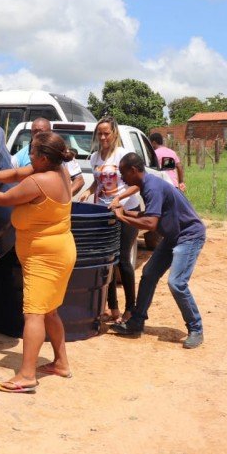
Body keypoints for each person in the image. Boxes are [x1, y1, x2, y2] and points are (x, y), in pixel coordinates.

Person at [0, 131, 77, 394]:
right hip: (59, 250)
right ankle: (61, 363)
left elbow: (4, 199)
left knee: (33, 313)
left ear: (45, 158)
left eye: (34, 153)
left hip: (45, 257)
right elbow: (16, 174)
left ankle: (26, 375)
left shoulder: (39, 183)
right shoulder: (59, 172)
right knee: (49, 311)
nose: (30, 156)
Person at [109, 152, 206, 349]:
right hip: (172, 236)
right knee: (149, 273)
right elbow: (149, 214)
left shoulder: (152, 187)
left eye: (123, 173)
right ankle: (136, 322)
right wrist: (125, 211)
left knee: (177, 282)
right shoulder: (147, 184)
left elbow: (150, 223)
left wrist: (122, 218)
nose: (122, 178)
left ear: (134, 170)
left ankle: (196, 328)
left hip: (189, 235)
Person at [80, 117, 139, 324]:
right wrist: (87, 191)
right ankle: (112, 308)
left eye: (107, 133)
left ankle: (131, 309)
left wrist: (119, 199)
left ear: (114, 133)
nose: (103, 137)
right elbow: (98, 184)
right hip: (104, 213)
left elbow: (137, 184)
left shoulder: (123, 156)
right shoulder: (94, 157)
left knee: (122, 259)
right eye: (100, 133)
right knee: (107, 260)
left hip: (127, 213)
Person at [13, 117, 86, 198]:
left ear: (50, 132)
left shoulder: (61, 153)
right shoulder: (20, 155)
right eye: (35, 132)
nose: (37, 135)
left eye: (41, 132)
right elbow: (12, 178)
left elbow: (79, 180)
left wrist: (63, 197)